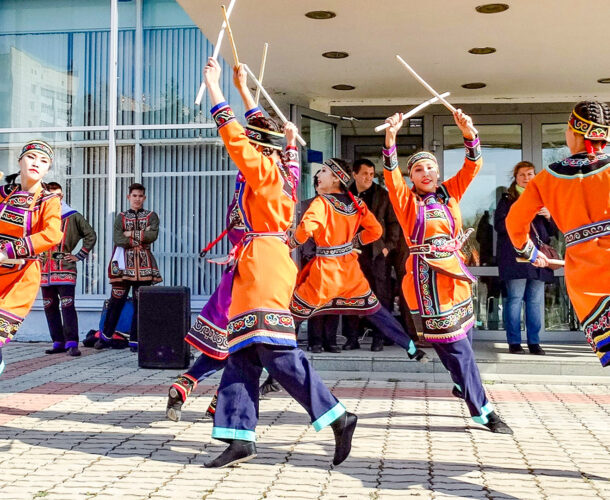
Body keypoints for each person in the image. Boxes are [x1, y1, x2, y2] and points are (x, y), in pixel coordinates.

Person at [202, 58, 356, 468]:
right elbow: (262, 133)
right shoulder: (282, 168)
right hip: (261, 259)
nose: (246, 148)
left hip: (264, 264)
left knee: (274, 350)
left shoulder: (265, 171)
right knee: (242, 353)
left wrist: (216, 88)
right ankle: (239, 436)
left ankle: (337, 415)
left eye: (253, 141)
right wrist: (244, 87)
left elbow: (236, 136)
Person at [165, 65, 300, 422]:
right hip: (262, 268)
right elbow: (240, 135)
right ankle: (215, 398)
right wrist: (227, 89)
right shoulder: (280, 175)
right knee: (244, 340)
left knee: (241, 339)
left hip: (255, 263)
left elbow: (246, 134)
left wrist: (230, 88)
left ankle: (203, 393)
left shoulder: (256, 176)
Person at [383, 110, 512, 434]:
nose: (425, 172)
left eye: (430, 167)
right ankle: (483, 410)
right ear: (411, 177)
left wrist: (468, 132)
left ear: (438, 172)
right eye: (418, 169)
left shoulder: (450, 193)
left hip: (454, 278)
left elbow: (473, 166)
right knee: (458, 349)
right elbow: (390, 177)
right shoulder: (406, 202)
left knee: (465, 338)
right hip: (428, 284)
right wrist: (391, 138)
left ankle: (461, 384)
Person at [288, 158, 427, 363]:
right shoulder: (357, 203)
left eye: (324, 171)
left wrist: (291, 242)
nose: (318, 175)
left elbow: (306, 228)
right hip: (350, 272)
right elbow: (376, 231)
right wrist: (355, 241)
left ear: (336, 179)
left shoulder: (322, 202)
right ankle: (412, 348)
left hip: (325, 273)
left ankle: (270, 363)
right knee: (377, 312)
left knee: (290, 317)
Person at [506, 100, 610, 367]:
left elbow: (515, 222)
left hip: (587, 279)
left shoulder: (547, 178)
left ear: (573, 132)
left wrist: (531, 254)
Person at [0, 140, 62, 375]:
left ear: (48, 169)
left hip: (20, 277)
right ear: (20, 161)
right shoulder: (4, 193)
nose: (37, 163)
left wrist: (7, 251)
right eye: (31, 157)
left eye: (44, 161)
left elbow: (52, 234)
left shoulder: (48, 200)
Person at [494, 161, 556, 355]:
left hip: (539, 258)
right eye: (522, 175)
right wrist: (523, 214)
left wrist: (548, 216)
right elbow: (500, 226)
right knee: (514, 299)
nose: (526, 178)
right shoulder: (507, 199)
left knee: (535, 301)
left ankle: (534, 343)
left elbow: (555, 231)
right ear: (516, 177)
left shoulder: (544, 197)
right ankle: (514, 342)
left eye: (530, 174)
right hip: (516, 256)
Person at [342, 159, 401, 351]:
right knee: (351, 296)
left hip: (376, 254)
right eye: (365, 173)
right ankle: (352, 338)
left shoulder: (383, 195)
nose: (368, 177)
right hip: (350, 254)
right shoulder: (344, 194)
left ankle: (378, 338)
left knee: (379, 297)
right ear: (354, 175)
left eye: (371, 174)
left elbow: (394, 224)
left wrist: (387, 247)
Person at [95, 183, 162, 351]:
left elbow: (152, 236)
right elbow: (118, 239)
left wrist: (129, 233)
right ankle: (105, 337)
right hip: (123, 265)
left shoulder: (152, 216)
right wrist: (140, 235)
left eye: (140, 196)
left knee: (141, 304)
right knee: (116, 301)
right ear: (128, 197)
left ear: (144, 198)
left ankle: (136, 341)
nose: (137, 199)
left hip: (144, 266)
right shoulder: (121, 217)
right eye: (134, 196)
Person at [40, 182, 97, 357]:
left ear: (62, 196)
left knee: (67, 305)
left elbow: (90, 235)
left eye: (57, 195)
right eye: (49, 195)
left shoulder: (72, 216)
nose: (54, 198)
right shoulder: (39, 216)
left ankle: (72, 343)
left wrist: (78, 255)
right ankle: (58, 341)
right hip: (44, 269)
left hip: (65, 267)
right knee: (49, 306)